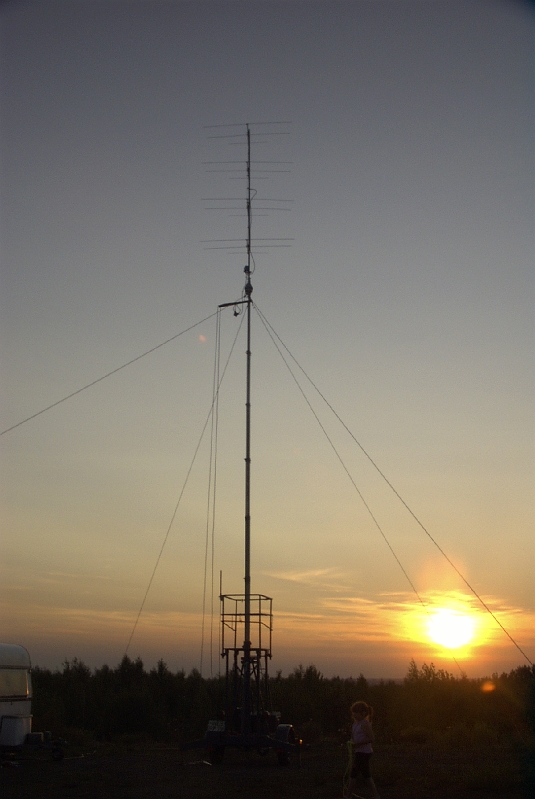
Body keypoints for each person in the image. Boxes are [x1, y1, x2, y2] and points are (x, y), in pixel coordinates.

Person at [343, 701, 380, 799]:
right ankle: (376, 796)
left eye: (356, 712)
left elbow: (371, 738)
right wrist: (351, 742)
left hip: (364, 752)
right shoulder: (355, 724)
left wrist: (358, 744)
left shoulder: (365, 724)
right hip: (359, 752)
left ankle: (348, 796)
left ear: (363, 713)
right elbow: (354, 737)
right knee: (366, 775)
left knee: (354, 773)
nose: (354, 715)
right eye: (353, 712)